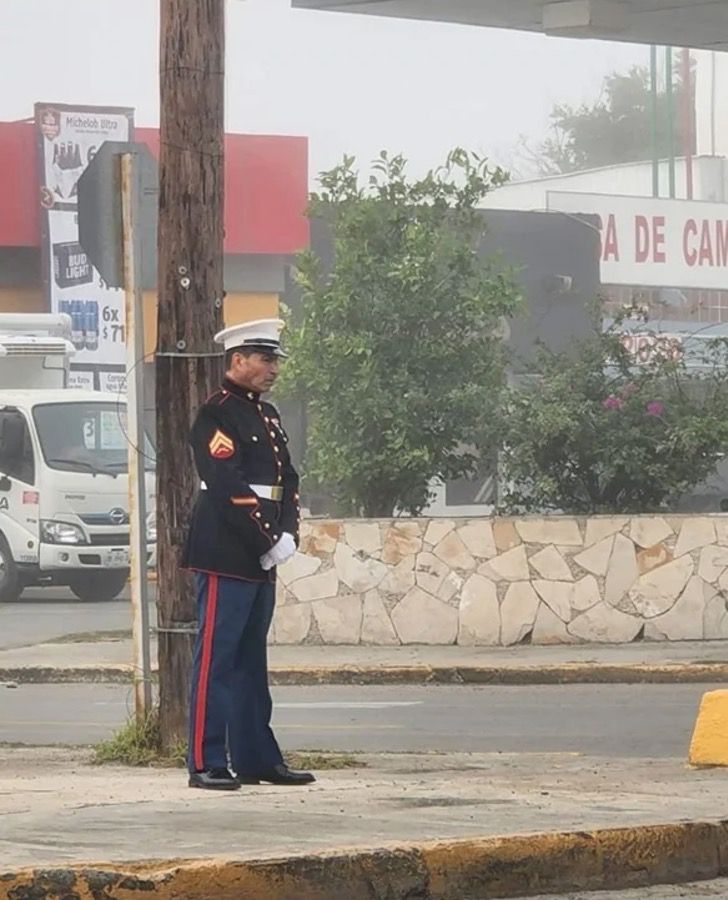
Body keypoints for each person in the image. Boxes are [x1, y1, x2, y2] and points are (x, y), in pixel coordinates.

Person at [183, 318, 314, 791]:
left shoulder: (269, 415)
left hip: (262, 551)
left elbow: (288, 480)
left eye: (275, 360)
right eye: (265, 359)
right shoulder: (214, 416)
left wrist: (289, 532)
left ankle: (257, 758)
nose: (273, 368)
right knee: (217, 658)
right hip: (226, 548)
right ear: (238, 360)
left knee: (250, 660)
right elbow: (227, 486)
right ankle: (206, 760)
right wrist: (267, 538)